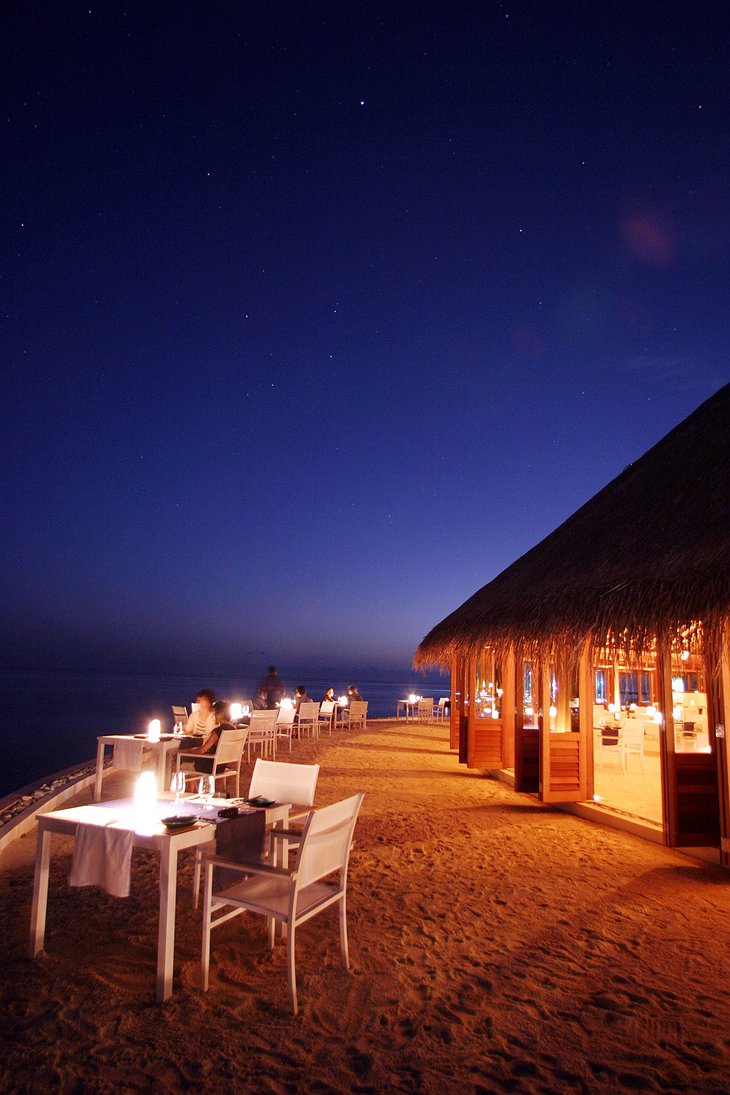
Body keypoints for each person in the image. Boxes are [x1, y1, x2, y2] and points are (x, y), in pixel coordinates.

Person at [184, 700, 234, 774]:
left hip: (210, 767)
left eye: (215, 713)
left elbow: (202, 750)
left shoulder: (218, 731)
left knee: (181, 761)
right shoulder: (233, 730)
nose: (214, 716)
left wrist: (187, 752)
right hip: (222, 766)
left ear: (221, 714)